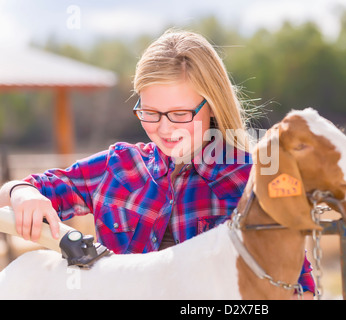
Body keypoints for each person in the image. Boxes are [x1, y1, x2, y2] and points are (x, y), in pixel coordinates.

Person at [0, 29, 314, 298]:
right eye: (150, 112)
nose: (164, 128)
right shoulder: (120, 166)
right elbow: (21, 191)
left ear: (214, 106)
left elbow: (299, 285)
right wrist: (23, 194)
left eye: (179, 114)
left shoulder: (253, 176)